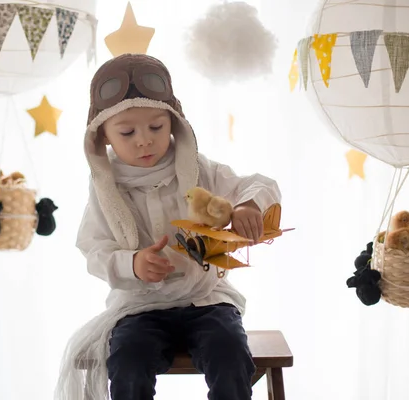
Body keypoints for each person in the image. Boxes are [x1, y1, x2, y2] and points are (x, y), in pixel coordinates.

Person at [54, 54, 281, 400]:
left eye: (156, 127)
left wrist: (249, 204)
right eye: (127, 132)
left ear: (174, 124)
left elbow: (261, 183)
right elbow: (94, 250)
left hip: (206, 300)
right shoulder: (106, 188)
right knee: (128, 362)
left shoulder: (198, 170)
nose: (144, 140)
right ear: (104, 136)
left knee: (229, 352)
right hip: (140, 307)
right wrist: (132, 264)